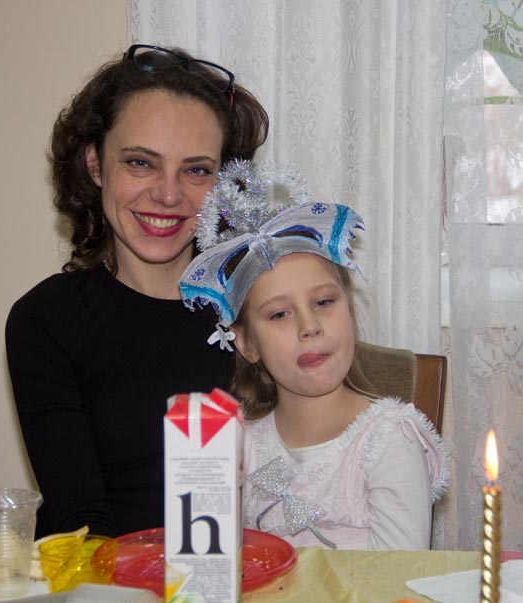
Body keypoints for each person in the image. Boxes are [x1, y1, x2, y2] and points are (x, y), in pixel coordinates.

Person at [6, 45, 270, 538]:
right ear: (95, 164)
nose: (168, 195)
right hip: (104, 573)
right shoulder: (46, 320)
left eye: (197, 170)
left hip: (243, 571)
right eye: (141, 162)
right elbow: (82, 523)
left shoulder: (260, 305)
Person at [180, 161, 449, 550]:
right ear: (247, 343)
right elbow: (212, 561)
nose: (309, 326)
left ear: (349, 309)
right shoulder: (240, 443)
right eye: (279, 314)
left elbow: (400, 576)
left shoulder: (388, 440)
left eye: (323, 302)